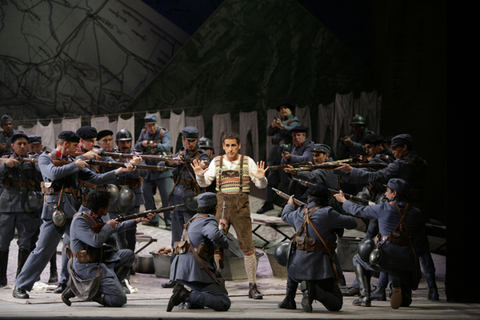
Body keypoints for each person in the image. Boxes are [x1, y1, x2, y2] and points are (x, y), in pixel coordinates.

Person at [13, 131, 135, 299]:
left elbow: (96, 179)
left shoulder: (73, 161)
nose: (76, 148)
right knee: (42, 250)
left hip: (74, 212)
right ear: (65, 145)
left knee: (81, 251)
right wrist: (76, 165)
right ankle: (21, 285)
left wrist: (119, 171)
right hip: (56, 213)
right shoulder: (45, 158)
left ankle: (73, 284)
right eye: (73, 145)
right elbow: (53, 173)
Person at [335, 133, 439, 300]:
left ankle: (368, 289)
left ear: (404, 148)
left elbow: (376, 176)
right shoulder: (422, 163)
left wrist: (351, 170)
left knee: (382, 244)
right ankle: (433, 290)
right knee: (423, 253)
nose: (393, 151)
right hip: (416, 211)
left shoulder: (401, 164)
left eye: (395, 148)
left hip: (396, 212)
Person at [192, 132, 268, 299]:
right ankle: (216, 282)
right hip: (222, 207)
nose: (230, 149)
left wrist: (262, 179)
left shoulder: (247, 161)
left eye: (233, 145)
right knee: (215, 246)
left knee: (248, 248)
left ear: (239, 146)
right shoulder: (217, 161)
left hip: (241, 208)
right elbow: (205, 182)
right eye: (227, 145)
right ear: (223, 146)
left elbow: (260, 184)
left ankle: (253, 286)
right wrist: (199, 174)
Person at [334, 178, 422, 309]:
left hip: (386, 256)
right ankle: (403, 293)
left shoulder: (384, 207)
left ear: (394, 194)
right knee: (399, 279)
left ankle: (364, 297)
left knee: (358, 259)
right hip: (408, 259)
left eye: (387, 191)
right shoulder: (416, 212)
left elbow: (358, 210)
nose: (385, 194)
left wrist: (344, 201)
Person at [61, 188, 154, 307]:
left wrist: (138, 219)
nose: (110, 207)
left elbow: (117, 227)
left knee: (128, 255)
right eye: (107, 205)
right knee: (119, 300)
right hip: (86, 266)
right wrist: (108, 226)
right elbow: (95, 241)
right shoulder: (80, 220)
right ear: (100, 207)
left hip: (99, 259)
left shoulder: (95, 216)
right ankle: (90, 292)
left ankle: (109, 283)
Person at [279, 185, 357, 312]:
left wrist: (289, 204)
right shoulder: (328, 213)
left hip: (296, 271)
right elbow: (352, 222)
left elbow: (285, 215)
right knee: (336, 304)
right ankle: (313, 290)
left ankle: (289, 298)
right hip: (320, 271)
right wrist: (342, 205)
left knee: (294, 255)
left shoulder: (299, 212)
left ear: (309, 199)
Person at [161, 126, 210, 289]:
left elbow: (206, 164)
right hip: (177, 202)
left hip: (192, 203)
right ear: (183, 139)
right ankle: (174, 277)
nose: (190, 144)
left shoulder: (201, 155)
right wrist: (172, 160)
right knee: (176, 241)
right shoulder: (180, 153)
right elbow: (167, 163)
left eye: (193, 141)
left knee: (192, 241)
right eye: (188, 140)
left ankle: (193, 276)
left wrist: (202, 165)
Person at [167, 192, 230, 312]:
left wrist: (221, 229)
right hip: (195, 271)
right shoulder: (208, 220)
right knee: (224, 302)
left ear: (198, 207)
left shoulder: (193, 219)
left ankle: (191, 298)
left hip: (182, 270)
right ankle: (184, 295)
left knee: (200, 301)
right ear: (216, 207)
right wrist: (223, 237)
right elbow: (214, 236)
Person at [105, 128, 148, 292]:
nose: (125, 145)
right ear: (117, 143)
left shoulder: (136, 154)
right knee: (117, 234)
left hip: (132, 198)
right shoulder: (112, 155)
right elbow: (111, 173)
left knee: (131, 232)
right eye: (122, 142)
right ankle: (122, 263)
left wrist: (134, 166)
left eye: (127, 142)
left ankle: (129, 262)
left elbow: (144, 172)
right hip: (116, 199)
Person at [0, 133, 41, 287]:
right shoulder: (5, 159)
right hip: (7, 206)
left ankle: (21, 279)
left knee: (25, 244)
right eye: (19, 144)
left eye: (25, 143)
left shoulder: (32, 160)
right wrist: (5, 165)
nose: (22, 146)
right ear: (13, 146)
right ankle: (1, 279)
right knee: (2, 243)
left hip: (27, 207)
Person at [257, 103, 301, 213]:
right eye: (281, 109)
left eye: (285, 108)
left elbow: (293, 132)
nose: (282, 110)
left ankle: (289, 205)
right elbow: (269, 132)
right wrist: (273, 125)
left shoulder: (294, 121)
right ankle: (268, 202)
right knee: (271, 179)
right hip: (276, 151)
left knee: (285, 181)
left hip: (286, 150)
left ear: (291, 110)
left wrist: (281, 126)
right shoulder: (280, 122)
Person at [27, 135, 58, 284]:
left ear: (41, 146)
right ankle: (32, 274)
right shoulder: (25, 160)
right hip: (30, 203)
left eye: (36, 146)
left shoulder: (46, 158)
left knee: (49, 239)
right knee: (32, 238)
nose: (34, 150)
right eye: (31, 147)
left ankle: (53, 272)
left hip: (47, 200)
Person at [135, 114, 173, 228]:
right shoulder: (143, 133)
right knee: (146, 195)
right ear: (146, 125)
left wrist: (156, 144)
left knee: (166, 198)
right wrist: (143, 143)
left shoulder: (163, 133)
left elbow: (167, 147)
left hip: (162, 170)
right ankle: (152, 219)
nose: (152, 128)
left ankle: (169, 222)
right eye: (149, 126)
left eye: (153, 125)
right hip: (148, 170)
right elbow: (136, 147)